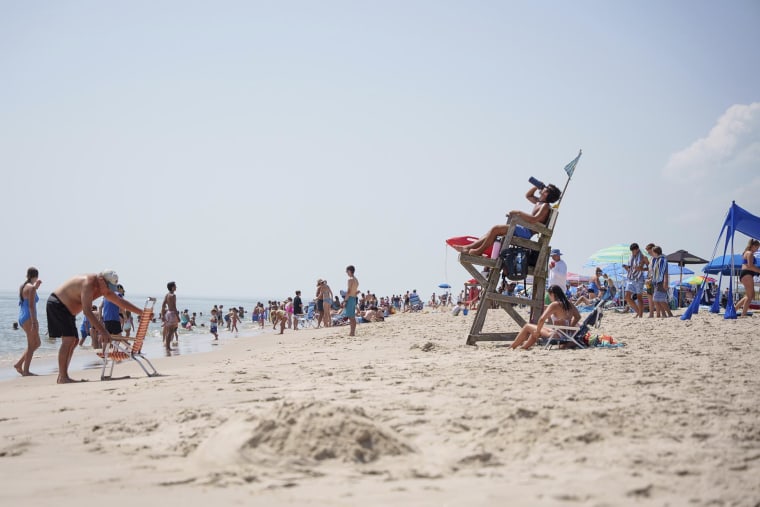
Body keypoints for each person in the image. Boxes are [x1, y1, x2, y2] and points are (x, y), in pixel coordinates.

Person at [47, 270, 143, 383]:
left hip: (68, 311)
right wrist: (103, 331)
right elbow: (87, 311)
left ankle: (63, 375)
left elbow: (121, 302)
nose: (108, 289)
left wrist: (142, 313)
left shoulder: (104, 289)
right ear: (102, 280)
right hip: (58, 305)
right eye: (108, 286)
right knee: (68, 340)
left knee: (74, 341)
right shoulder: (88, 283)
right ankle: (63, 377)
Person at [454, 182, 562, 256]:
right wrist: (536, 186)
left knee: (496, 229)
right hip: (522, 228)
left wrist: (518, 213)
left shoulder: (545, 206)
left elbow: (534, 219)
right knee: (491, 232)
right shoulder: (540, 202)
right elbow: (528, 195)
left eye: (545, 189)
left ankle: (477, 251)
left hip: (526, 232)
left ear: (548, 194)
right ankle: (468, 248)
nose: (543, 189)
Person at [510, 284, 581, 350]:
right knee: (536, 329)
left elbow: (542, 319)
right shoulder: (569, 304)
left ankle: (512, 347)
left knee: (527, 326)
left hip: (557, 335)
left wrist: (537, 332)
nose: (549, 297)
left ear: (552, 294)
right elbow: (578, 317)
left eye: (549, 295)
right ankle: (524, 347)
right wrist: (570, 327)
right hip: (567, 334)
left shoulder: (554, 304)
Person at [14, 267, 42, 376]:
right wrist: (34, 322)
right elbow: (31, 305)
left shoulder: (24, 286)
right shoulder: (31, 288)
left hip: (22, 316)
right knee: (32, 345)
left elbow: (27, 298)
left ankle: (19, 364)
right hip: (29, 317)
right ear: (36, 276)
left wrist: (36, 288)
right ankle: (26, 371)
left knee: (37, 343)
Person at [623, 243, 649, 318]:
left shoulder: (643, 257)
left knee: (639, 297)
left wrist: (642, 269)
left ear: (637, 249)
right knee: (627, 296)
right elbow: (630, 268)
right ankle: (638, 311)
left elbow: (649, 268)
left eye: (633, 251)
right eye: (631, 251)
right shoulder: (631, 257)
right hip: (630, 278)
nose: (632, 252)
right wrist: (626, 268)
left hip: (639, 278)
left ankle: (640, 315)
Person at [735, 239, 760, 317]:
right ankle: (743, 314)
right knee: (749, 296)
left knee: (751, 295)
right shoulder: (749, 253)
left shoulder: (747, 253)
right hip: (747, 274)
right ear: (753, 246)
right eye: (757, 247)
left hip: (746, 274)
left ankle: (735, 309)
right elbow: (750, 266)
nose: (757, 249)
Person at [650, 246, 673, 318]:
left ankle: (669, 314)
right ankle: (665, 314)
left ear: (655, 252)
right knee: (657, 299)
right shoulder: (656, 260)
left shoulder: (663, 260)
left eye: (652, 252)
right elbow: (655, 272)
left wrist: (665, 282)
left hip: (662, 281)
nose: (651, 253)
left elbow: (665, 272)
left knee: (660, 299)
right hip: (657, 281)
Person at [161, 281, 179, 350]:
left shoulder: (167, 295)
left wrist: (163, 315)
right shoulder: (173, 295)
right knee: (171, 331)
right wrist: (177, 316)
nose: (176, 287)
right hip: (172, 314)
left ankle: (167, 346)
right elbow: (174, 307)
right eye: (175, 286)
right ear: (172, 287)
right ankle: (168, 347)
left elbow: (163, 305)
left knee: (169, 331)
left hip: (168, 313)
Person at [345, 265, 360, 336]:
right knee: (352, 317)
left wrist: (345, 300)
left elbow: (348, 291)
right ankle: (352, 332)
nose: (346, 272)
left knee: (351, 317)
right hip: (354, 298)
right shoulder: (356, 280)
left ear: (349, 271)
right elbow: (355, 291)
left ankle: (352, 332)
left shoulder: (350, 279)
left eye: (347, 271)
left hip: (350, 298)